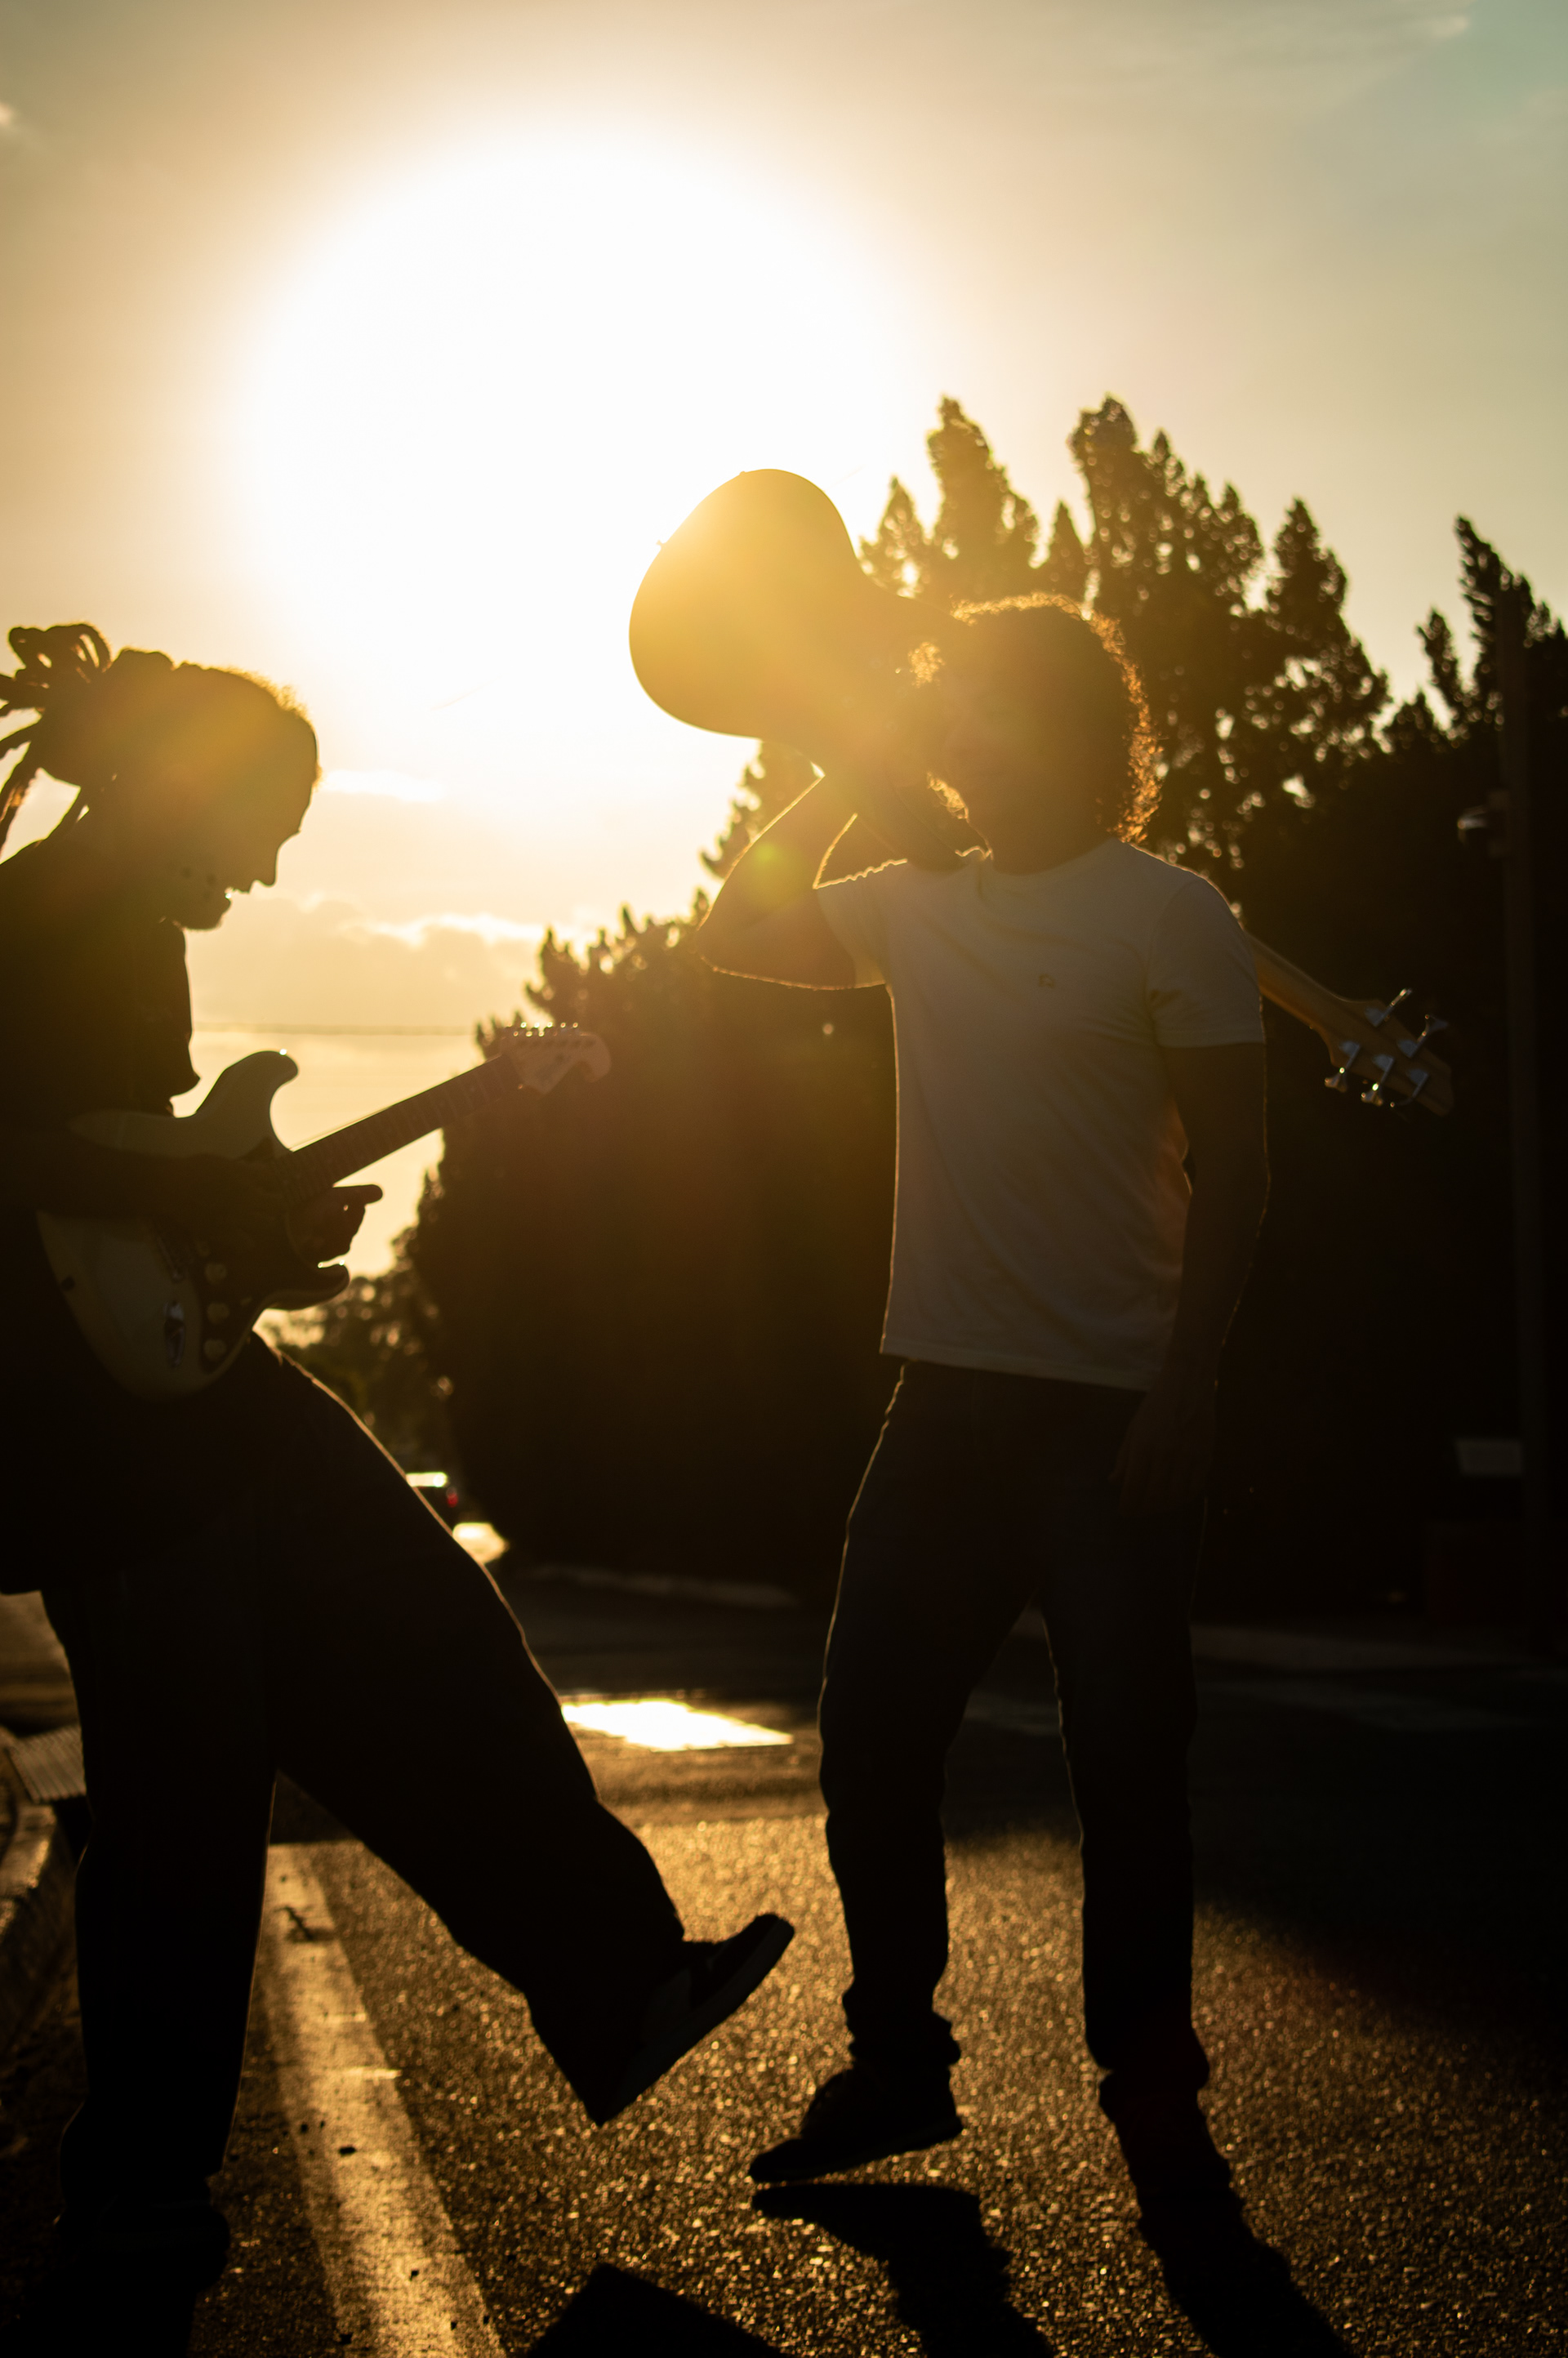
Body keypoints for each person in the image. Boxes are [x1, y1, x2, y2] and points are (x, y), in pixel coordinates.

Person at [0, 625, 791, 2315]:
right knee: (194, 1777)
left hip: (168, 1396)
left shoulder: (128, 926)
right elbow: (54, 1165)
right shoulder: (52, 909)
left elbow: (131, 1195)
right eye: (267, 826)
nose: (274, 867)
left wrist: (248, 1241)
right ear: (191, 789)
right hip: (82, 1430)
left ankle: (613, 1982)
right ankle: (139, 2192)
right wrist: (199, 1205)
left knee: (411, 1639)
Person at [699, 594, 1269, 2248]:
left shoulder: (1172, 913)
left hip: (1113, 1416)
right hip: (943, 1403)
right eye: (958, 714)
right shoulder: (914, 905)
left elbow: (1241, 1168)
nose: (972, 740)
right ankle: (899, 2062)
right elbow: (738, 928)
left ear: (1085, 734)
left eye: (1000, 710)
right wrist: (841, 757)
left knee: (1129, 1767)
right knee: (869, 1740)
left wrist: (1189, 1384)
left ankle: (1153, 2092)